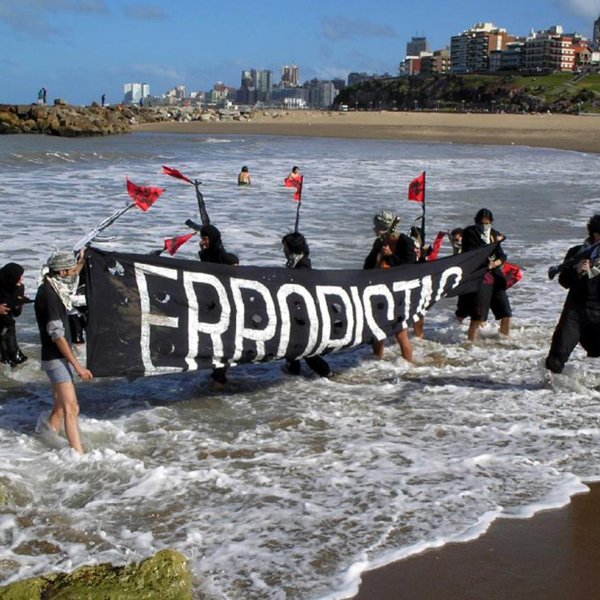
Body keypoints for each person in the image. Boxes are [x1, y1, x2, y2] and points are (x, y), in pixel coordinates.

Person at [34, 250, 92, 453]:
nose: (74, 273)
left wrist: (83, 257)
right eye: (71, 270)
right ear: (62, 272)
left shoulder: (53, 287)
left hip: (55, 357)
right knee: (71, 407)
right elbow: (57, 335)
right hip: (56, 358)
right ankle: (78, 455)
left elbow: (74, 273)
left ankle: (41, 442)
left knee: (60, 406)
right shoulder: (51, 297)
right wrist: (78, 367)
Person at [545, 214, 600, 374]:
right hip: (575, 313)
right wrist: (576, 271)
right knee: (555, 360)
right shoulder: (576, 253)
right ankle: (546, 394)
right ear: (596, 235)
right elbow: (564, 282)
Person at [363, 210, 416, 362]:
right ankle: (377, 361)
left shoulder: (406, 242)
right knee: (377, 329)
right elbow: (367, 265)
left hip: (399, 291)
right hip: (379, 289)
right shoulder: (379, 241)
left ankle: (409, 365)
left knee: (400, 331)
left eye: (378, 227)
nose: (375, 230)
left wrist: (390, 256)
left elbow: (410, 267)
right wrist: (377, 255)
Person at [281, 232, 333, 378]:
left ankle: (328, 374)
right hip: (297, 313)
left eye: (285, 247)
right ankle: (293, 375)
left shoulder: (302, 268)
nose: (283, 251)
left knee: (304, 350)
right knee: (294, 348)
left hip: (304, 315)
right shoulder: (296, 264)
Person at [460, 208, 511, 341]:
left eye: (487, 223)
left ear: (491, 222)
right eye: (481, 223)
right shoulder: (470, 233)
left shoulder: (494, 234)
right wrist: (486, 260)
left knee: (506, 313)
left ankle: (505, 340)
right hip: (479, 279)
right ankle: (471, 345)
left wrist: (496, 263)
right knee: (478, 316)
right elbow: (470, 253)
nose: (484, 226)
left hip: (496, 278)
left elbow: (502, 255)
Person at [198, 224, 239, 387]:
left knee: (222, 344)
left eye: (205, 238)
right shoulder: (207, 256)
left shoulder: (225, 258)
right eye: (201, 238)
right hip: (213, 307)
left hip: (226, 308)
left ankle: (219, 382)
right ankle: (219, 377)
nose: (203, 242)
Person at [0, 262, 29, 367]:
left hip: (7, 324)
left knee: (14, 357)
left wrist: (18, 304)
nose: (22, 280)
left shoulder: (19, 288)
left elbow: (16, 314)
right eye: (20, 277)